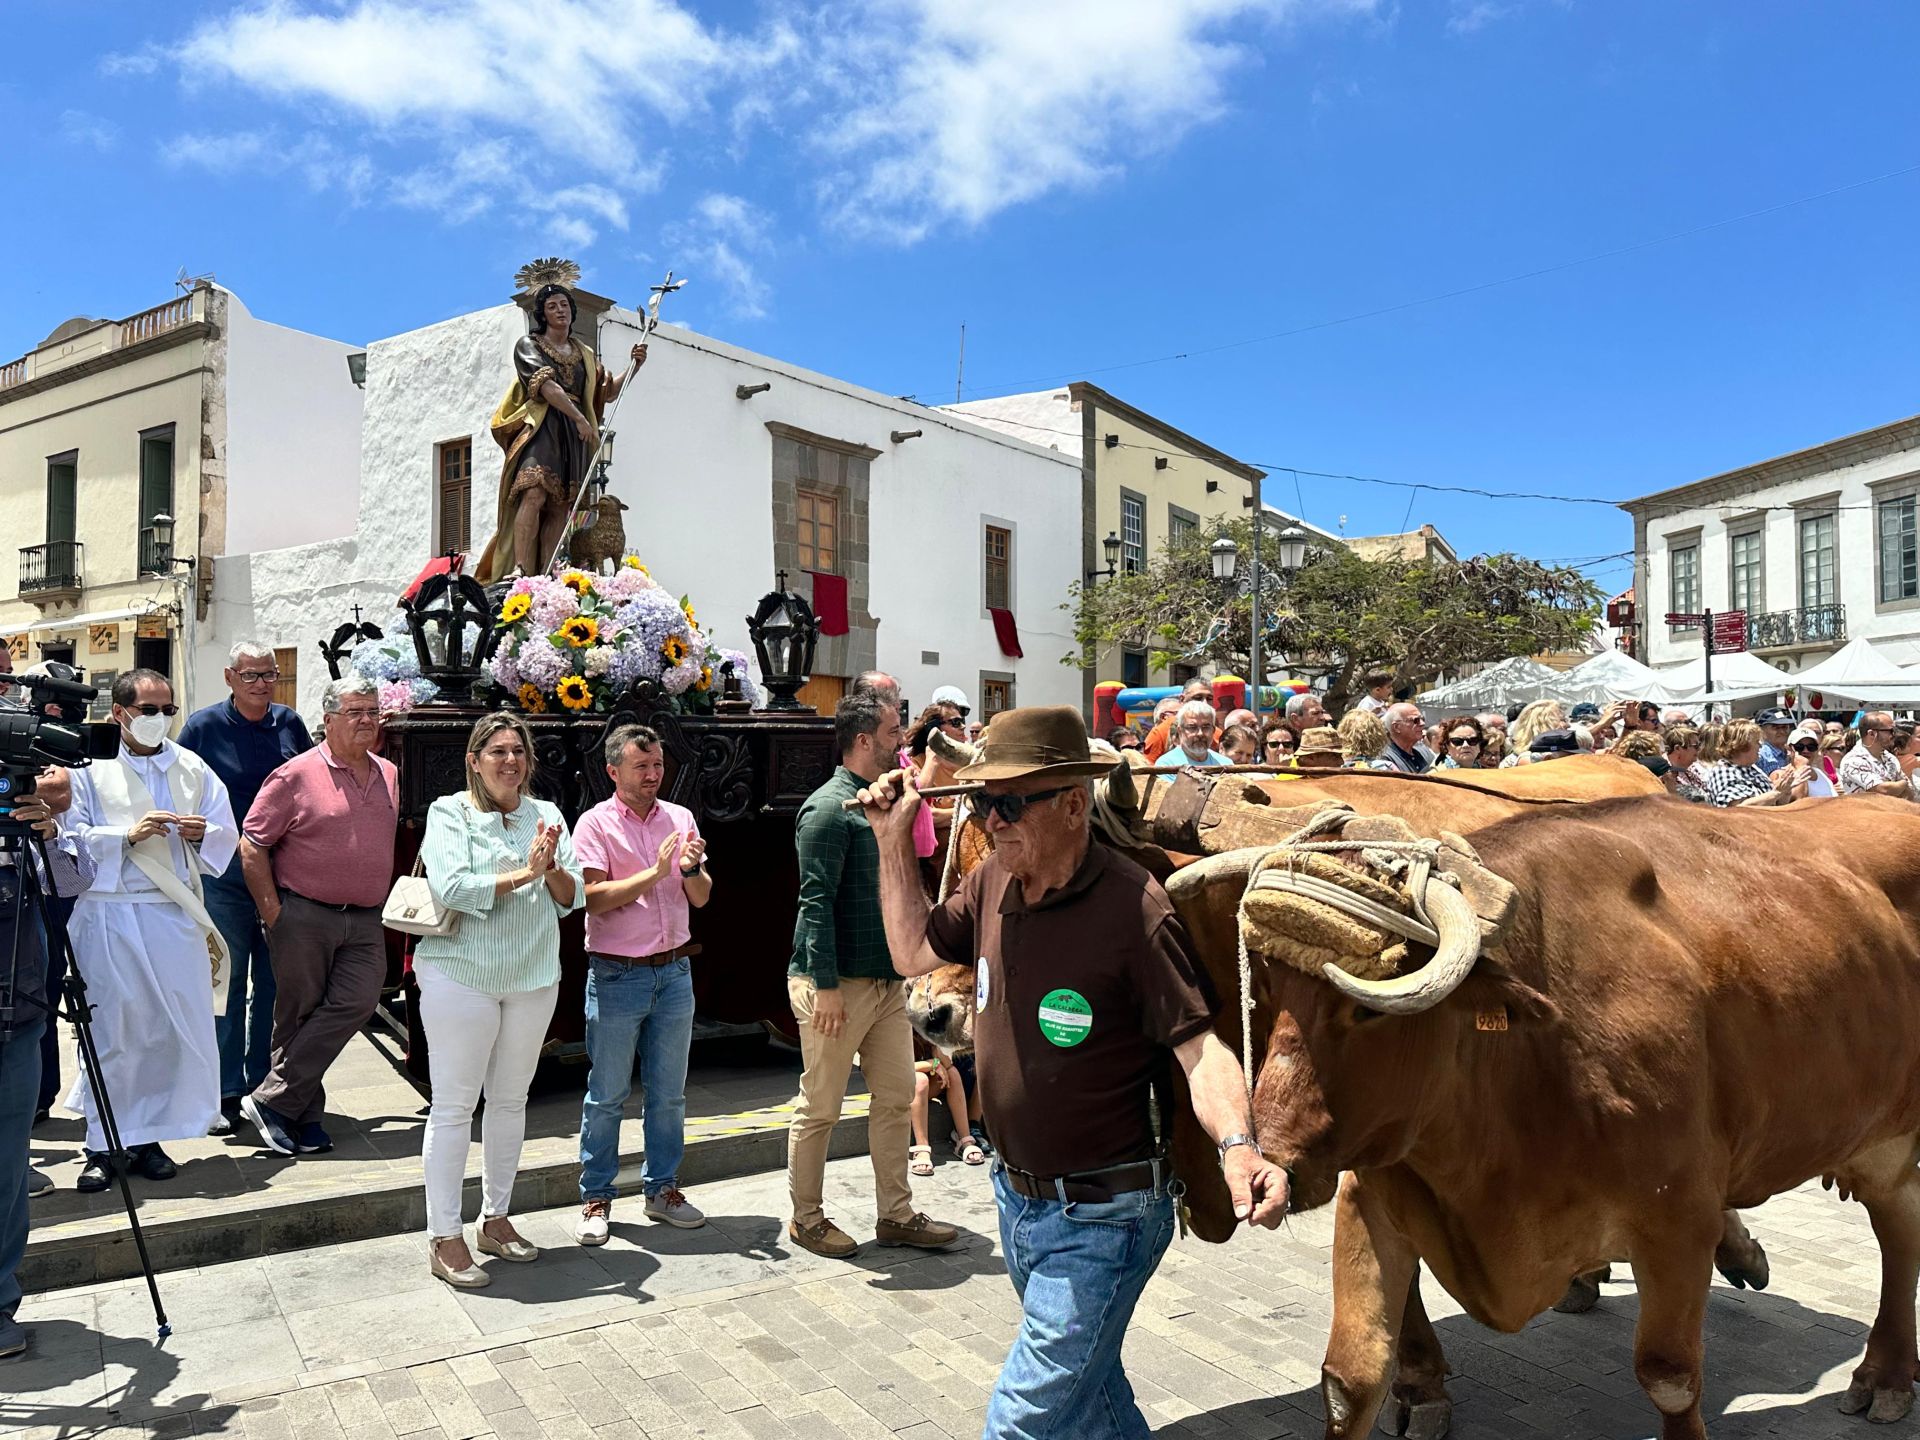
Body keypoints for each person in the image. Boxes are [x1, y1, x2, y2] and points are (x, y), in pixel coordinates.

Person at [857, 705, 1287, 1434]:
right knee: (1094, 1394)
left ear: (1069, 804)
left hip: (1105, 1216)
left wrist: (1239, 1147)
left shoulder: (1133, 907)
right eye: (982, 800)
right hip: (1017, 1201)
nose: (990, 819)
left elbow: (1199, 1047)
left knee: (1020, 1423)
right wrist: (892, 842)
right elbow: (910, 954)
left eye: (1007, 801)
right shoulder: (994, 879)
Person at [785, 693, 958, 1260]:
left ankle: (896, 1214)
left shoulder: (883, 805)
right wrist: (826, 987)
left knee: (893, 1097)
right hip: (837, 985)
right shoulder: (828, 810)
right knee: (821, 1108)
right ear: (863, 741)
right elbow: (814, 904)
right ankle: (806, 1220)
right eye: (891, 732)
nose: (900, 741)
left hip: (885, 984)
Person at [412, 713, 581, 1287]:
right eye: (498, 752)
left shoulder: (548, 815)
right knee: (456, 1106)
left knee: (511, 1102)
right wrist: (522, 874)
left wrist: (551, 868)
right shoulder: (449, 811)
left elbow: (572, 894)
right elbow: (452, 887)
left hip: (533, 976)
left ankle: (497, 1219)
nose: (510, 762)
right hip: (461, 975)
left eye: (519, 752)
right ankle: (443, 1234)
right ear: (475, 759)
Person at [63, 670, 237, 1190]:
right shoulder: (87, 768)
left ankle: (148, 1138)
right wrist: (125, 836)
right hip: (110, 913)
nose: (160, 719)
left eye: (168, 709)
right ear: (119, 713)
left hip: (172, 913)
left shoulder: (191, 767)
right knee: (113, 1032)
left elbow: (227, 833)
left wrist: (204, 831)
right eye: (148, 709)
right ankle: (102, 1143)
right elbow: (69, 841)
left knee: (163, 1031)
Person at [238, 676, 399, 1157]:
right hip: (305, 914)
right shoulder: (295, 775)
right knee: (298, 1015)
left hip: (366, 917)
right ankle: (304, 1119)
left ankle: (273, 1102)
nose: (367, 720)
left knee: (357, 1002)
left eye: (372, 711)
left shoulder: (389, 771)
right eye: (355, 712)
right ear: (328, 720)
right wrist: (274, 913)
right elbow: (252, 845)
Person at [573, 724, 713, 1245]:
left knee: (669, 1095)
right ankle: (596, 1197)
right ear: (613, 771)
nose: (653, 776)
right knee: (607, 1094)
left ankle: (663, 1190)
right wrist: (655, 873)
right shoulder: (593, 824)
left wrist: (691, 868)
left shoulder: (680, 817)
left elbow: (701, 898)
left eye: (657, 766)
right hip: (617, 974)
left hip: (675, 971)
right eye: (641, 767)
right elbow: (591, 898)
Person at [177, 641, 315, 1135]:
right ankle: (224, 1090)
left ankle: (266, 1083)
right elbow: (180, 785)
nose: (262, 684)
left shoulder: (289, 724)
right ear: (230, 677)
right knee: (228, 982)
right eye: (252, 675)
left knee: (277, 985)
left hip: (283, 875)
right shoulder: (203, 727)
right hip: (226, 876)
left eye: (269, 675)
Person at [474, 280, 646, 582]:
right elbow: (546, 387)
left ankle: (546, 574)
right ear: (543, 314)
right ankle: (521, 570)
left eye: (564, 305)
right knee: (534, 493)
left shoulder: (584, 353)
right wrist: (580, 418)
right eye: (552, 306)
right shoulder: (530, 345)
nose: (560, 311)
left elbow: (605, 393)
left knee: (560, 505)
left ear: (572, 310)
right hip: (543, 426)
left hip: (573, 435)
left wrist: (634, 366)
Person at [0, 783, 89, 1357]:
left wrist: (49, 833)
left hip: (18, 1015)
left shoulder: (21, 826)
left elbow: (73, 883)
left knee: (8, 1170)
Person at [909, 1043, 984, 1175]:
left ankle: (964, 1139)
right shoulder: (896, 1028)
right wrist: (931, 1064)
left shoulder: (925, 1031)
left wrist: (936, 1051)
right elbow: (899, 1069)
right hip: (900, 1086)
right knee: (920, 1080)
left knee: (952, 1073)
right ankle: (922, 1149)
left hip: (924, 1086)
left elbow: (947, 1064)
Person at [1705, 720, 1808, 807]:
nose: (1760, 746)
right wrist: (1776, 793)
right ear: (1742, 745)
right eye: (1756, 742)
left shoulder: (1753, 769)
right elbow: (1739, 808)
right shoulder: (1724, 771)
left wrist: (1786, 790)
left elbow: (1778, 804)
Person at [1837, 711, 1914, 798]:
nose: (1894, 735)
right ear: (1872, 734)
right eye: (1890, 731)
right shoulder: (1853, 760)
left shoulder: (1890, 758)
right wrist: (1903, 783)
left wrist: (1898, 787)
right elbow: (1884, 790)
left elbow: (1909, 792)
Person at [1142, 681, 1213, 761]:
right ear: (1182, 699)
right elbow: (1146, 768)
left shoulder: (1217, 732)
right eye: (1198, 698)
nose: (1205, 703)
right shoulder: (1160, 732)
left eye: (1209, 699)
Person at [1500, 700, 1569, 768]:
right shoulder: (1528, 759)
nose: (1568, 725)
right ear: (1544, 725)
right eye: (1563, 720)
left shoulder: (1560, 752)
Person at [1170, 699, 1230, 767]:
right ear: (1180, 731)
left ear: (1213, 731)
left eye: (1206, 727)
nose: (1200, 733)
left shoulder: (1225, 764)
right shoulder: (1167, 765)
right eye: (1192, 727)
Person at [1377, 703, 1434, 774]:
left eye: (1422, 719)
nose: (1422, 723)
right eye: (1416, 720)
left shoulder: (1426, 752)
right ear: (1397, 727)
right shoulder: (1384, 759)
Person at [1754, 708, 1796, 775]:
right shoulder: (1760, 755)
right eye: (1776, 727)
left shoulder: (1791, 752)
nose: (1782, 731)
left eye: (1785, 727)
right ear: (1761, 730)